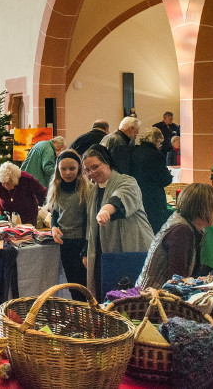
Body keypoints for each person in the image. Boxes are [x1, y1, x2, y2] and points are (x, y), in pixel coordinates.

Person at [81, 145, 154, 298]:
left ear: (107, 163)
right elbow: (90, 225)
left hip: (133, 248)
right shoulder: (93, 190)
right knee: (108, 295)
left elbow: (120, 197)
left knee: (133, 297)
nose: (92, 173)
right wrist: (86, 251)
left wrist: (106, 210)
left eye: (95, 167)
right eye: (87, 170)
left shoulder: (127, 181)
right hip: (105, 253)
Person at [137, 183, 213, 289]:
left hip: (158, 292)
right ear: (204, 210)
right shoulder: (181, 232)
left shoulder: (184, 225)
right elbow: (176, 281)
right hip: (155, 297)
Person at [47, 150, 90, 301]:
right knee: (73, 285)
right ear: (58, 170)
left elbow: (89, 221)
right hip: (65, 242)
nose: (68, 173)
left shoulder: (86, 189)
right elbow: (55, 213)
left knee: (84, 286)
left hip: (81, 243)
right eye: (63, 169)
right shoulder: (57, 187)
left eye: (72, 168)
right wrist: (53, 227)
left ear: (79, 168)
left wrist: (86, 249)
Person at [130, 127, 174, 234]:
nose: (160, 145)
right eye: (160, 143)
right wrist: (169, 175)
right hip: (153, 198)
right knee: (155, 229)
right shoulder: (156, 154)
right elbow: (164, 179)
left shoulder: (134, 151)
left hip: (137, 194)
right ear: (157, 140)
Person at [0, 161, 47, 225]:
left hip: (28, 217)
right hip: (6, 216)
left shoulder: (27, 179)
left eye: (7, 183)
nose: (3, 185)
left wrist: (44, 206)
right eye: (2, 182)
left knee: (27, 235)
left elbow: (43, 193)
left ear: (15, 180)